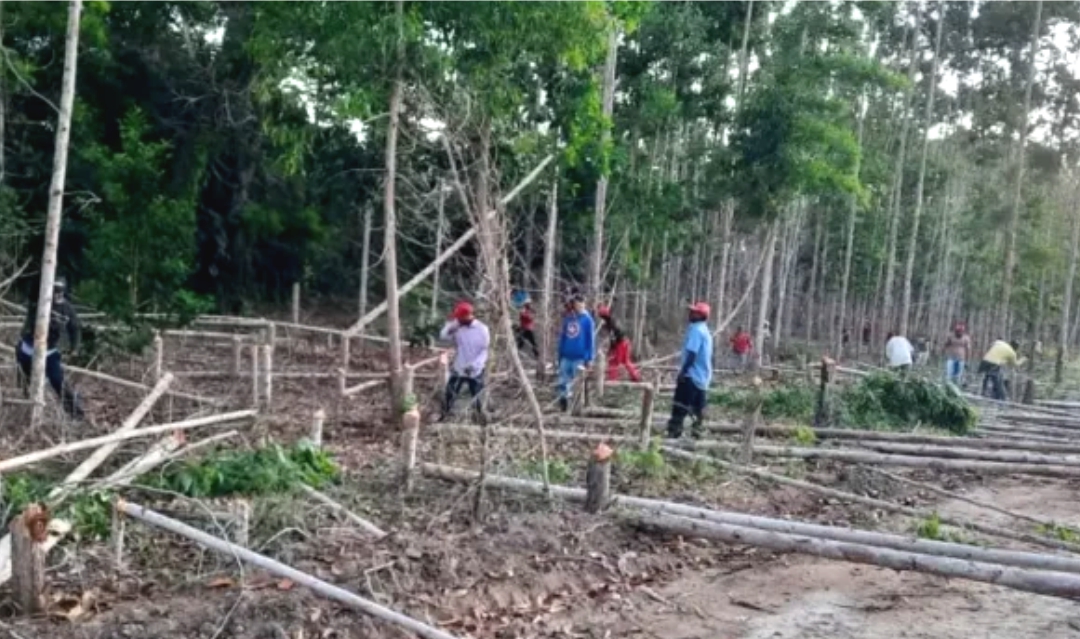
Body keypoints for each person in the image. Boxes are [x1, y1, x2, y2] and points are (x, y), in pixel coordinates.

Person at [16, 277, 84, 420]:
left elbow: (75, 329)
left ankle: (75, 413)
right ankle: (27, 409)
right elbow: (31, 298)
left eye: (59, 291)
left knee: (58, 381)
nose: (56, 294)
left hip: (50, 351)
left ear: (63, 292)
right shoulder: (39, 301)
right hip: (28, 348)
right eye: (53, 290)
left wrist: (75, 348)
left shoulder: (68, 310)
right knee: (25, 380)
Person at [668, 302, 713, 439]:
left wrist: (683, 372)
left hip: (691, 376)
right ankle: (696, 437)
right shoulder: (705, 331)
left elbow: (692, 354)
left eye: (694, 312)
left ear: (701, 315)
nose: (690, 314)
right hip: (703, 378)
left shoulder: (696, 330)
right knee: (698, 411)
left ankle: (673, 436)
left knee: (679, 408)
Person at [438, 301, 490, 421]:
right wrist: (451, 325)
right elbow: (443, 336)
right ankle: (444, 417)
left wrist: (475, 365)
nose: (458, 320)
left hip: (475, 369)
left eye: (460, 318)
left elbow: (484, 351)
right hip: (459, 367)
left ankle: (481, 420)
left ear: (468, 316)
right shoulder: (458, 328)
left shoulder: (482, 329)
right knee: (449, 393)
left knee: (477, 397)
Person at [556, 293, 595, 412]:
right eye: (577, 305)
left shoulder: (588, 320)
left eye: (581, 305)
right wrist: (560, 353)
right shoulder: (568, 318)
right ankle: (563, 403)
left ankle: (575, 406)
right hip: (566, 356)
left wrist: (589, 358)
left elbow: (590, 340)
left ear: (584, 305)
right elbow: (563, 337)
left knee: (575, 383)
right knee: (562, 381)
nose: (579, 307)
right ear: (574, 305)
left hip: (579, 357)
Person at [597, 305, 640, 382]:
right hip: (624, 342)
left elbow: (614, 337)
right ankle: (635, 376)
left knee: (614, 362)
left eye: (602, 317)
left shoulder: (611, 324)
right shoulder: (613, 321)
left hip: (621, 344)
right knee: (626, 361)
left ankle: (612, 380)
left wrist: (611, 349)